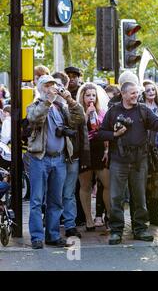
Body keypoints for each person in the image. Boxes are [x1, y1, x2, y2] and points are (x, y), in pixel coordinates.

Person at [96, 82, 158, 245]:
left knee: (139, 197)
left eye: (137, 93)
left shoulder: (143, 110)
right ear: (123, 94)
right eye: (132, 93)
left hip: (139, 160)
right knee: (116, 197)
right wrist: (115, 134)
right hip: (119, 160)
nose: (136, 96)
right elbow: (100, 134)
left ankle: (140, 229)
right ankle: (116, 230)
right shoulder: (113, 111)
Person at [26, 75, 84, 249]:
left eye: (53, 85)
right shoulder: (35, 106)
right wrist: (48, 101)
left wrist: (69, 99)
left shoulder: (61, 107)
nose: (50, 88)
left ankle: (52, 235)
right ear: (40, 88)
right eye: (47, 85)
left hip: (59, 159)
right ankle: (37, 237)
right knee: (36, 199)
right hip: (39, 158)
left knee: (56, 200)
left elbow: (80, 118)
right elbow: (35, 118)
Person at [53, 71, 89, 239]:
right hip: (52, 157)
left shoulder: (69, 106)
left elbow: (81, 119)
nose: (57, 89)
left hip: (70, 156)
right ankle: (52, 228)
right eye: (54, 85)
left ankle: (70, 226)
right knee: (53, 193)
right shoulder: (44, 104)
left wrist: (68, 99)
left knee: (68, 193)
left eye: (60, 85)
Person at [77, 83, 111, 232]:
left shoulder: (102, 112)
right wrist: (86, 115)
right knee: (85, 186)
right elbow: (77, 129)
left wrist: (107, 149)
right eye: (87, 95)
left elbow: (105, 132)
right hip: (84, 150)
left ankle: (109, 216)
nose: (91, 98)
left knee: (107, 183)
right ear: (82, 97)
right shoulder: (77, 112)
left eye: (93, 95)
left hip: (98, 149)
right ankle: (88, 220)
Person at [140, 80, 158, 226]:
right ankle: (143, 216)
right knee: (143, 183)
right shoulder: (140, 108)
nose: (151, 92)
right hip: (143, 150)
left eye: (153, 90)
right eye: (148, 90)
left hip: (157, 150)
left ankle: (154, 216)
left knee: (155, 184)